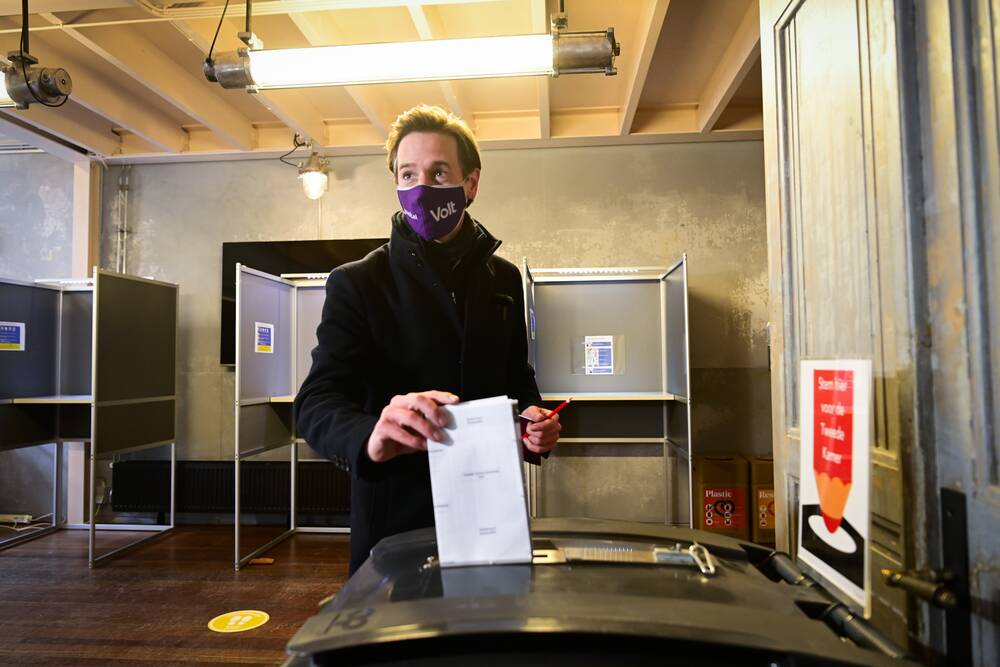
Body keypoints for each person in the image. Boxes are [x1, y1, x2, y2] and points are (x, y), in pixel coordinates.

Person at [295, 105, 562, 575]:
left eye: (439, 173)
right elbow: (316, 402)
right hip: (398, 516)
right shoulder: (357, 282)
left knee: (491, 630)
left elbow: (517, 377)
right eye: (408, 174)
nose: (422, 189)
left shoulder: (502, 278)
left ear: (471, 184)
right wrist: (369, 435)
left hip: (490, 505)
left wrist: (534, 421)